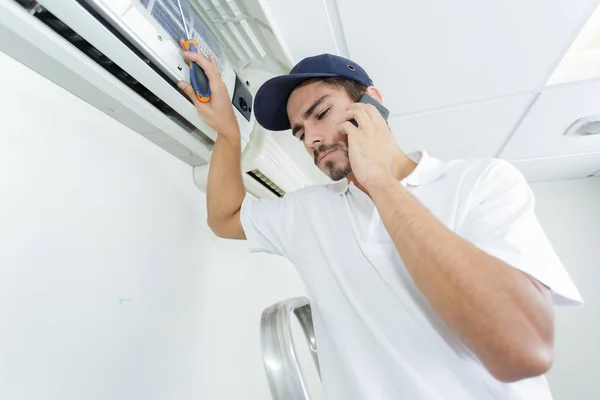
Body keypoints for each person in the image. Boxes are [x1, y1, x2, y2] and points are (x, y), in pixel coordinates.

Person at [177, 50, 583, 399]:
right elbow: (225, 218)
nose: (312, 139)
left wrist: (381, 182)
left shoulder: (480, 183)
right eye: (300, 132)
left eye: (320, 113)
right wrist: (229, 134)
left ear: (372, 101)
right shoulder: (309, 211)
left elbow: (522, 350)